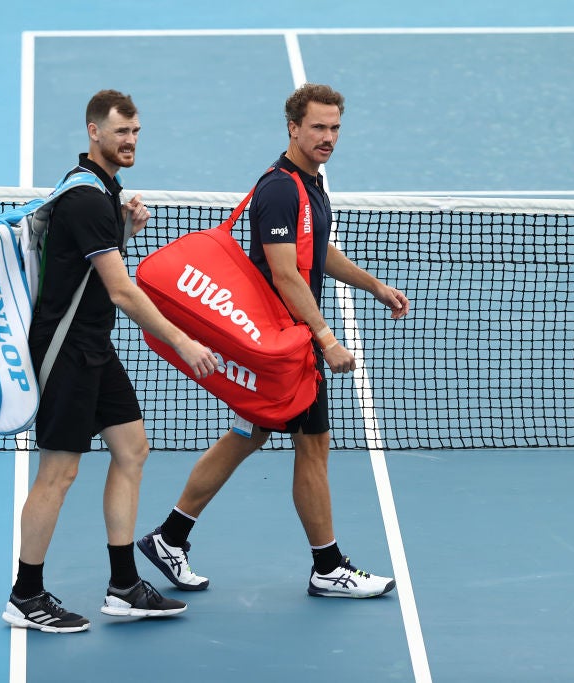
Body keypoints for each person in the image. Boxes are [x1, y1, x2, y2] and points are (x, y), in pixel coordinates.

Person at [138, 83, 410, 599]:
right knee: (313, 446)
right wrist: (325, 339)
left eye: (334, 128)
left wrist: (373, 285)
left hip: (286, 342)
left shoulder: (311, 184)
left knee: (249, 434)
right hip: (287, 346)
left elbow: (317, 253)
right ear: (293, 127)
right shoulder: (283, 189)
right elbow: (286, 274)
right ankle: (328, 567)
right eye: (318, 128)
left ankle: (170, 537)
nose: (328, 137)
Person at [1, 90, 218, 633]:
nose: (131, 141)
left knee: (131, 449)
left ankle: (123, 586)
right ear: (93, 132)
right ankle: (25, 595)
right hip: (67, 350)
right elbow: (121, 291)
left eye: (136, 131)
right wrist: (183, 341)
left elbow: (85, 265)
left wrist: (124, 233)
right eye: (121, 132)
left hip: (93, 345)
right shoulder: (87, 198)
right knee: (59, 471)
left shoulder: (103, 192)